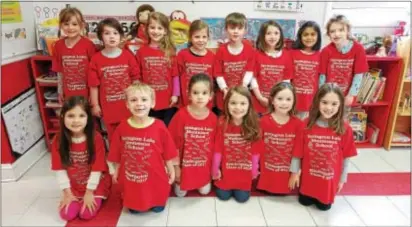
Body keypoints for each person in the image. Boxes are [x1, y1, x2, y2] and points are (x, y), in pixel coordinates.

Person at [107, 82, 177, 213]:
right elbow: (116, 152)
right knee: (134, 208)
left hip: (155, 174)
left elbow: (167, 151)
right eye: (134, 100)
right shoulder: (122, 127)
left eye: (144, 99)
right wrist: (116, 170)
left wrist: (171, 169)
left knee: (157, 206)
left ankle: (155, 200)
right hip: (132, 175)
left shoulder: (160, 126)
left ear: (152, 103)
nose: (139, 104)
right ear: (127, 105)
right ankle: (136, 201)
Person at [289, 83, 358, 211]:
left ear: (340, 106)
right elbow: (297, 152)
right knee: (304, 202)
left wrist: (342, 179)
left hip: (328, 184)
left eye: (334, 104)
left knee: (324, 208)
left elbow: (346, 157)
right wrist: (294, 173)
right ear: (317, 102)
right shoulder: (306, 124)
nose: (328, 108)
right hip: (308, 182)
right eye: (324, 102)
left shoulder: (345, 128)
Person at [51, 96, 111, 221]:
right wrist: (67, 193)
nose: (76, 121)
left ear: (88, 118)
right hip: (74, 185)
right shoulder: (58, 140)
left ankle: (101, 191)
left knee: (86, 214)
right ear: (62, 117)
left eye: (81, 116)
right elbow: (59, 169)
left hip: (94, 185)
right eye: (71, 116)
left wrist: (89, 193)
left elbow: (97, 168)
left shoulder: (96, 138)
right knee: (66, 215)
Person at [88, 18, 140, 140]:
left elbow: (136, 80)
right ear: (101, 37)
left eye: (115, 33)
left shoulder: (128, 56)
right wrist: (95, 105)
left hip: (128, 106)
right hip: (109, 107)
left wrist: (136, 100)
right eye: (107, 33)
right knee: (113, 137)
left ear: (121, 36)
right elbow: (93, 85)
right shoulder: (96, 60)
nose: (112, 37)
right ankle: (114, 158)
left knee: (130, 133)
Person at [168, 73, 217, 197]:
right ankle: (181, 181)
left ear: (210, 96)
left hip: (203, 167)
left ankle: (202, 179)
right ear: (189, 94)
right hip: (184, 167)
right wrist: (176, 168)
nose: (200, 97)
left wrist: (214, 168)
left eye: (204, 93)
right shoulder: (180, 115)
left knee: (204, 191)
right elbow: (172, 144)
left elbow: (216, 147)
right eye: (195, 93)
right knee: (180, 194)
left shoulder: (213, 119)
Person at [212, 86, 262, 203]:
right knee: (223, 196)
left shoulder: (255, 124)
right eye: (233, 103)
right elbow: (218, 149)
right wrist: (215, 169)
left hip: (244, 171)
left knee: (242, 198)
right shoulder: (221, 122)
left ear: (249, 105)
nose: (238, 107)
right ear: (227, 104)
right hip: (226, 170)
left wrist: (254, 169)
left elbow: (256, 151)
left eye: (243, 103)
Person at [257, 82, 303, 195]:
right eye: (280, 98)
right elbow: (257, 147)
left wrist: (295, 173)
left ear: (294, 101)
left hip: (286, 171)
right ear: (272, 100)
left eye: (288, 99)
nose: (284, 103)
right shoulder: (263, 121)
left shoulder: (298, 124)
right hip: (267, 170)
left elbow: (298, 151)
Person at [136, 12, 179, 126]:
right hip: (148, 101)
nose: (156, 31)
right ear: (147, 29)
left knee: (167, 130)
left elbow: (175, 74)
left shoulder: (170, 51)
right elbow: (138, 76)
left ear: (165, 31)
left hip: (168, 101)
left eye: (160, 28)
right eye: (152, 27)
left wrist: (175, 94)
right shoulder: (141, 52)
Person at [319, 15, 369, 106]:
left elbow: (359, 75)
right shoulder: (326, 51)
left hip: (347, 96)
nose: (336, 34)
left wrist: (351, 95)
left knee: (342, 119)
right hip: (329, 96)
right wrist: (322, 95)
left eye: (341, 30)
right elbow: (322, 76)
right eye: (332, 31)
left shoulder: (358, 49)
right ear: (329, 34)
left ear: (347, 31)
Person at [213, 12, 255, 114]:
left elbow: (250, 70)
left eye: (239, 28)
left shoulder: (250, 49)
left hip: (242, 96)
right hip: (224, 96)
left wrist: (244, 85)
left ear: (245, 30)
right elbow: (218, 74)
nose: (236, 31)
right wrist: (224, 89)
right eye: (232, 28)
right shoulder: (221, 50)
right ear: (226, 29)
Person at [52, 7, 96, 102]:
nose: (70, 27)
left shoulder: (89, 45)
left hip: (86, 94)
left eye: (74, 24)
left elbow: (94, 72)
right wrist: (60, 91)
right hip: (68, 94)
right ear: (61, 25)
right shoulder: (58, 46)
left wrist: (93, 95)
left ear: (82, 25)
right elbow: (59, 72)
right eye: (66, 24)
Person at [250, 20, 293, 115]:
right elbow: (253, 78)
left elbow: (286, 80)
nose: (273, 36)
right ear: (262, 36)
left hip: (278, 103)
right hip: (259, 103)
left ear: (280, 36)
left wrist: (281, 99)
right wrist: (260, 98)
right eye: (268, 33)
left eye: (276, 33)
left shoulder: (287, 55)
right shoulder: (256, 54)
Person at [177, 20, 215, 109]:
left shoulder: (212, 56)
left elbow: (214, 82)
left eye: (204, 37)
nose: (201, 40)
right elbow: (177, 77)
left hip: (206, 104)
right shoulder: (182, 55)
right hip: (186, 103)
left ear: (208, 38)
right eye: (197, 37)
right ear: (190, 37)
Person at [291, 21, 322, 119]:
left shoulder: (321, 56)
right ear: (300, 36)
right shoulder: (291, 54)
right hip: (292, 101)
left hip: (311, 102)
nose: (309, 38)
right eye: (305, 34)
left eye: (313, 34)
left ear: (318, 36)